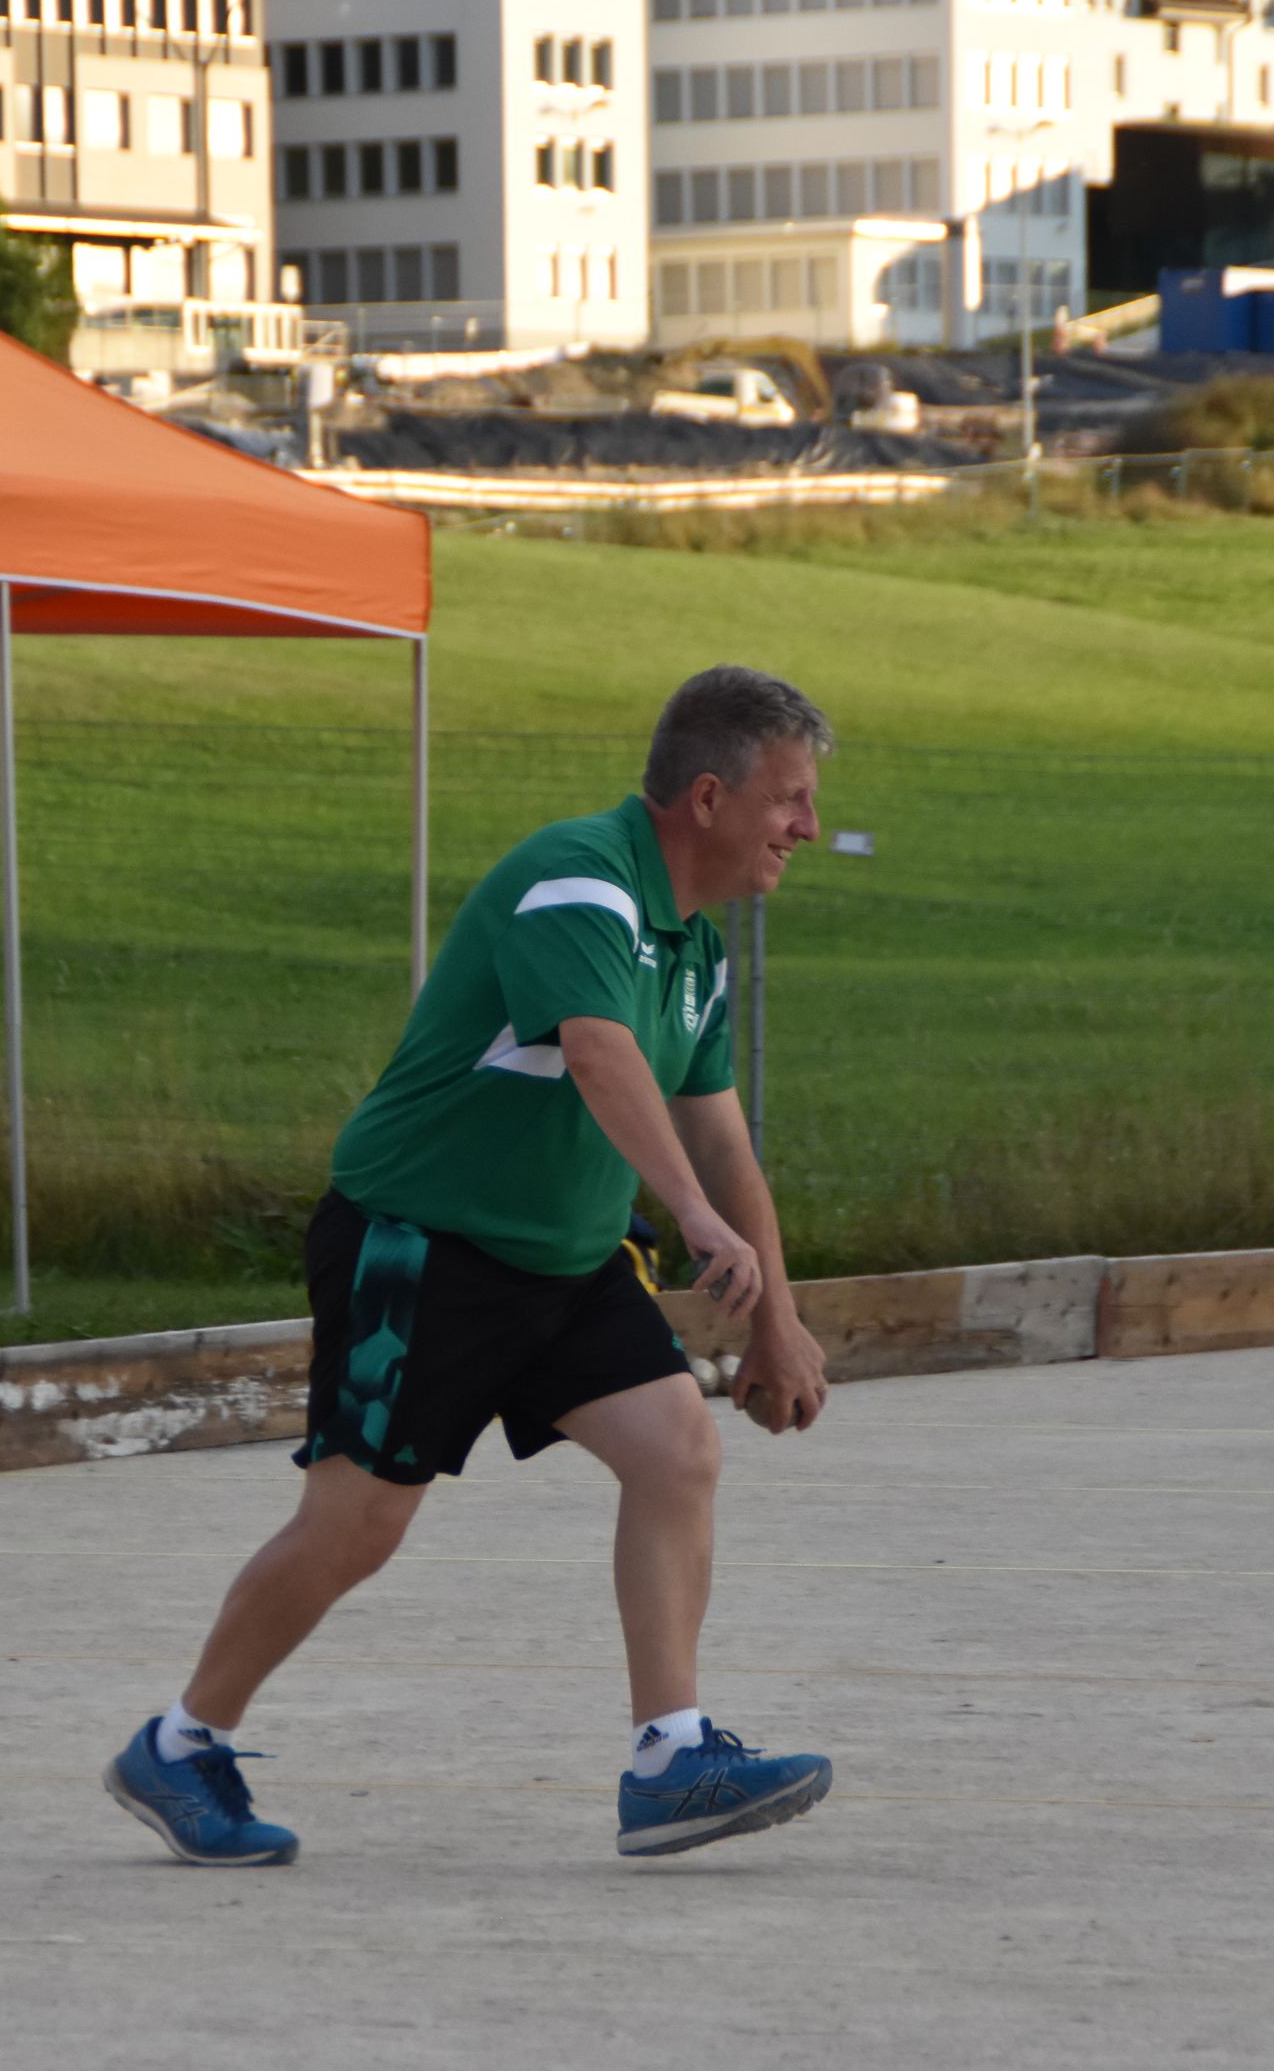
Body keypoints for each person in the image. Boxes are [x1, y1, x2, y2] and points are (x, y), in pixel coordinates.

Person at [106, 665, 838, 1867]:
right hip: (419, 1245)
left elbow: (721, 1136)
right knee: (357, 1527)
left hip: (568, 1258)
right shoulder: (579, 882)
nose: (806, 826)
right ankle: (179, 1746)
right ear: (710, 798)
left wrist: (778, 1319)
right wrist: (695, 1221)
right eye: (790, 799)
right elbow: (600, 1055)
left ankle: (670, 1760)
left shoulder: (695, 948)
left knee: (678, 1450)